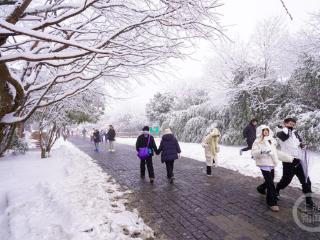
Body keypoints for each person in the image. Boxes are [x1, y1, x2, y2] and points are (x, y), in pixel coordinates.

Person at [252, 125, 294, 212]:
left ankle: (261, 188)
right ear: (261, 131)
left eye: (267, 130)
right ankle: (272, 202)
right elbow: (254, 153)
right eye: (264, 130)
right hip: (263, 164)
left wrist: (288, 158)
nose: (266, 132)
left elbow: (275, 152)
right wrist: (262, 151)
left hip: (271, 163)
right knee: (270, 183)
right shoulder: (258, 141)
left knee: (270, 180)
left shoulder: (271, 140)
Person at [275, 117, 315, 209]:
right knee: (286, 181)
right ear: (285, 124)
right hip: (289, 161)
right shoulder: (280, 132)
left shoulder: (295, 133)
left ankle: (309, 201)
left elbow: (299, 142)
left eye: (293, 125)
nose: (292, 126)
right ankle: (277, 189)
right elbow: (285, 137)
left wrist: (302, 145)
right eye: (290, 124)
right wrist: (287, 128)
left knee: (306, 181)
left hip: (299, 160)